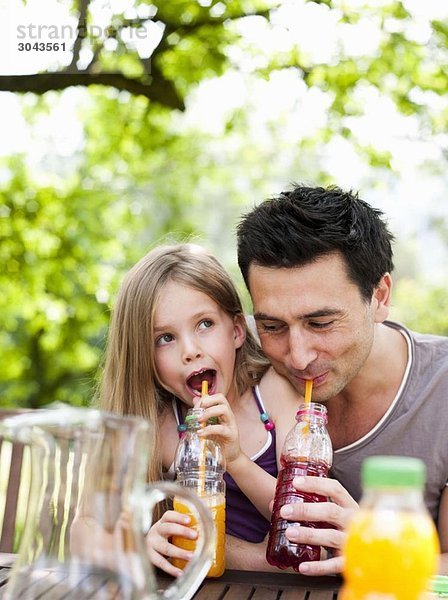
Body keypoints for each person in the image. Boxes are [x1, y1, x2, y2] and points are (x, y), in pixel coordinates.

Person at [236, 184, 448, 575]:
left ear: (380, 296)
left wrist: (377, 549)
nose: (297, 356)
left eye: (321, 323)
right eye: (272, 325)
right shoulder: (239, 362)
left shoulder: (442, 393)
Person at [99, 243, 300, 576]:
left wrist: (235, 460)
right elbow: (91, 525)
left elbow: (299, 517)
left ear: (236, 330)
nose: (190, 351)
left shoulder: (275, 393)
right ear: (145, 357)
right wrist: (139, 542)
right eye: (165, 338)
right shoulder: (163, 429)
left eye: (205, 324)